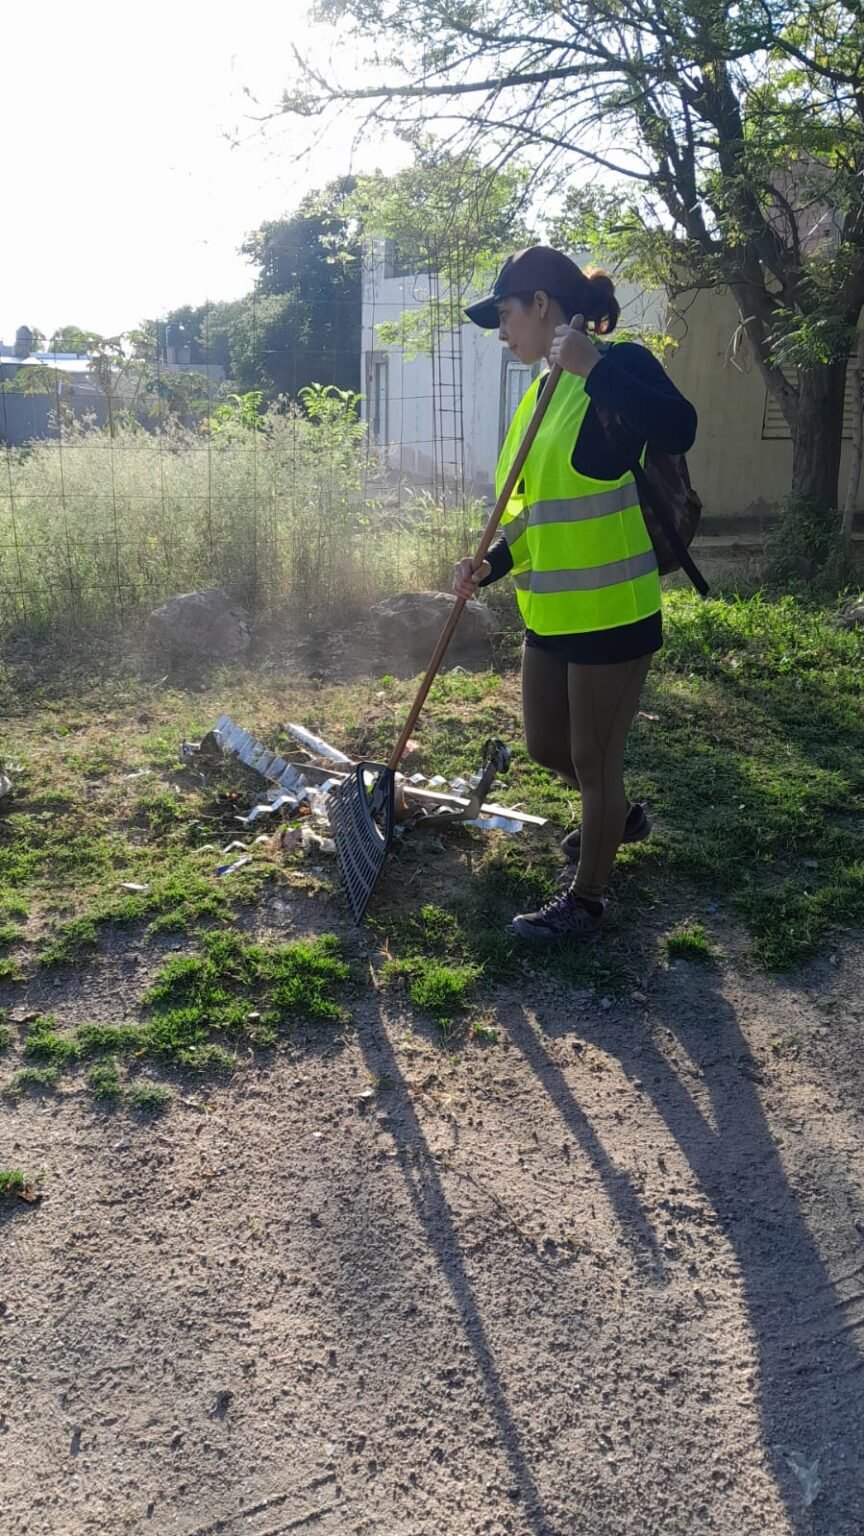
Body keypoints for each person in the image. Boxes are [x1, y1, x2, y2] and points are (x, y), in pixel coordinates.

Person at [454, 246, 697, 942]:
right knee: (545, 745)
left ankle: (587, 902)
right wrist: (490, 566)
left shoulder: (615, 366)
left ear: (541, 304)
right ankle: (617, 819)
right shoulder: (539, 395)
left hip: (613, 613)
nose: (502, 333)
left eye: (504, 315)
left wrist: (594, 370)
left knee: (594, 760)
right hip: (553, 615)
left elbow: (680, 426)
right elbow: (543, 514)